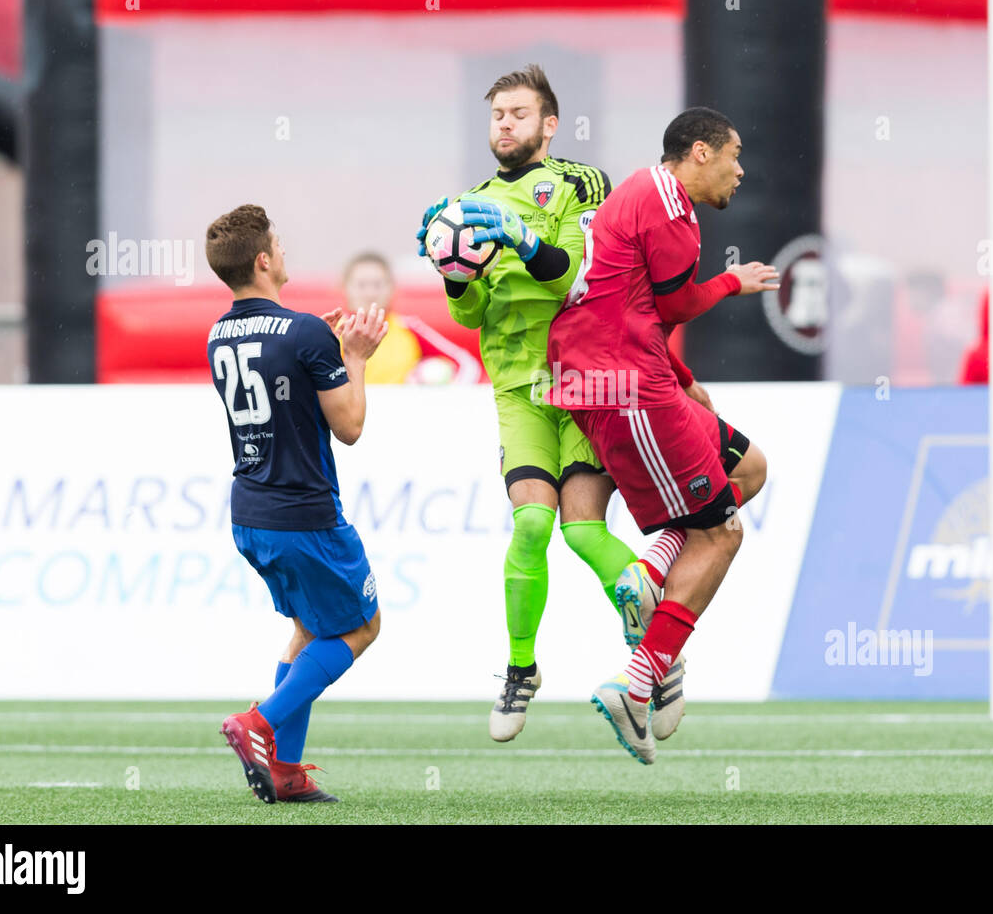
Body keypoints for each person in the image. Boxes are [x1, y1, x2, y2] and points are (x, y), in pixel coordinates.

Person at [415, 65, 689, 742]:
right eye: (496, 115)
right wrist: (454, 275)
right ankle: (520, 670)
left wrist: (521, 237)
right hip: (517, 388)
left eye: (517, 112)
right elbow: (474, 313)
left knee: (583, 530)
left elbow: (574, 277)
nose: (504, 124)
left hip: (585, 379)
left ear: (548, 124)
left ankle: (662, 655)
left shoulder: (579, 183)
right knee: (533, 525)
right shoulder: (468, 202)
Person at [546, 107, 776, 763]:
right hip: (621, 384)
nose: (742, 169)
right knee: (721, 531)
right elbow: (673, 306)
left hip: (631, 371)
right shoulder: (666, 205)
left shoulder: (650, 195)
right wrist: (735, 281)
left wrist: (681, 374)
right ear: (699, 152)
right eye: (734, 154)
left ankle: (648, 574)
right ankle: (638, 679)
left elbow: (634, 302)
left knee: (750, 468)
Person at [205, 204, 388, 803]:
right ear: (263, 260)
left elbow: (285, 391)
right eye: (278, 245)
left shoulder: (217, 335)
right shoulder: (306, 331)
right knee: (362, 627)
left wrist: (328, 352)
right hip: (305, 515)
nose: (285, 253)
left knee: (309, 630)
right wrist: (354, 357)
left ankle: (284, 773)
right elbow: (350, 426)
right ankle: (257, 724)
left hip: (250, 514)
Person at [342, 251, 481, 384]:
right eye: (361, 285)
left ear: (392, 288)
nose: (370, 293)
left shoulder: (408, 329)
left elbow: (467, 365)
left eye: (378, 285)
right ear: (345, 288)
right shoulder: (332, 333)